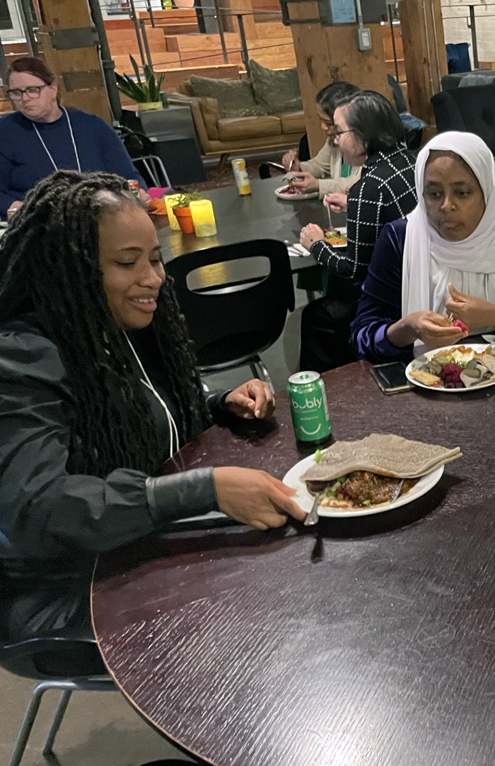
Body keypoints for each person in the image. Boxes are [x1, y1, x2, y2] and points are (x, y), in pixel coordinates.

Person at [0, 171, 305, 662]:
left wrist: (215, 402)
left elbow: (139, 407)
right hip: (65, 582)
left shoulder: (115, 321)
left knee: (287, 550)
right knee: (262, 606)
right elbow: (39, 507)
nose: (154, 279)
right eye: (127, 263)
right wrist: (202, 489)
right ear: (71, 270)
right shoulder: (22, 360)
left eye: (156, 258)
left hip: (136, 539)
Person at [351, 132, 495, 362]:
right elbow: (361, 336)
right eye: (433, 194)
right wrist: (407, 329)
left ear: (487, 191)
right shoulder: (400, 239)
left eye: (462, 193)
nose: (446, 206)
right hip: (427, 388)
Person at [298, 90, 418, 372]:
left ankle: (329, 389)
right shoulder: (410, 161)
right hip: (416, 281)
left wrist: (316, 245)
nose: (335, 139)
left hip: (391, 299)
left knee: (317, 316)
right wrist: (355, 205)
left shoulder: (370, 184)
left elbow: (354, 269)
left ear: (364, 135)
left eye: (340, 131)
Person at [0, 57, 145, 219]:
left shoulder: (92, 126)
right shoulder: (5, 132)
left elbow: (129, 177)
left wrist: (138, 195)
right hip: (39, 224)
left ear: (53, 89)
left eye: (33, 90)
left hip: (101, 217)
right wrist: (18, 208)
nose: (24, 98)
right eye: (16, 93)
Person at [282, 80, 363, 198]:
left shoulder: (368, 143)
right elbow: (320, 165)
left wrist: (319, 185)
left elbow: (359, 183)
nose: (322, 127)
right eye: (321, 120)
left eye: (328, 123)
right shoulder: (334, 139)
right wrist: (298, 167)